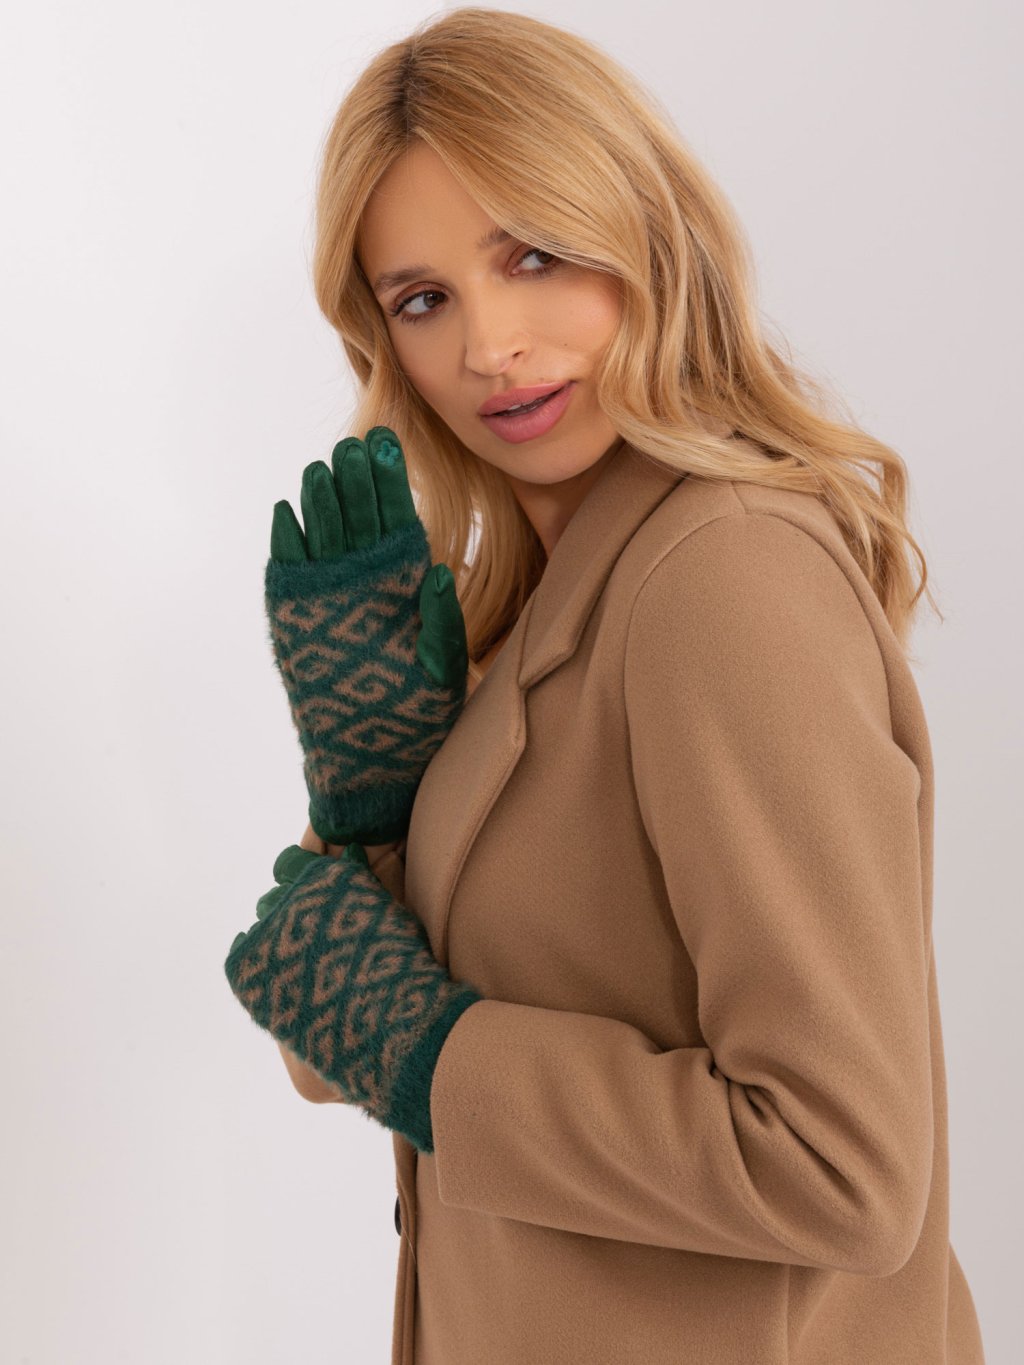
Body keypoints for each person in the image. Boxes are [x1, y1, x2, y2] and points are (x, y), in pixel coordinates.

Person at [222, 8, 986, 1363]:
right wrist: (374, 808)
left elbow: (846, 1166)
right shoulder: (542, 606)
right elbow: (325, 1035)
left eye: (533, 254)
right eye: (423, 299)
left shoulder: (721, 574)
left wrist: (435, 1055)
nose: (490, 347)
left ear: (643, 230)